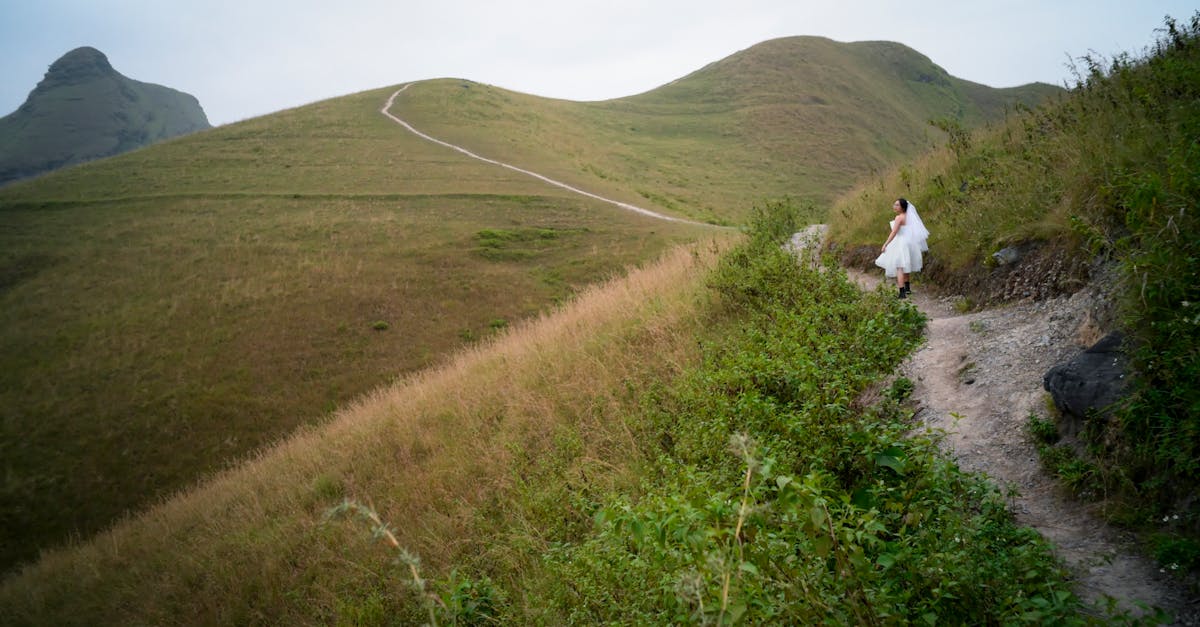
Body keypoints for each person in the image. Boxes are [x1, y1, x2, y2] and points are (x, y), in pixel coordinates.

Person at [874, 197, 929, 298]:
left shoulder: (899, 218)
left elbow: (894, 232)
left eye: (897, 205)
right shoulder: (910, 217)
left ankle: (902, 292)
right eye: (894, 204)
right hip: (910, 242)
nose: (894, 206)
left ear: (903, 207)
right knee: (906, 264)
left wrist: (886, 243)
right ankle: (907, 288)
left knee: (899, 266)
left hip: (900, 242)